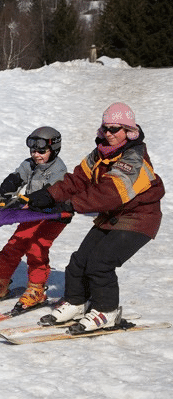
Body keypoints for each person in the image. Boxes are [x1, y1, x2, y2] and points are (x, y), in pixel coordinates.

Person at [26, 102, 165, 333]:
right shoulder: (101, 152)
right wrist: (48, 194)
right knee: (80, 260)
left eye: (116, 129)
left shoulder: (134, 159)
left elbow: (109, 193)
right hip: (113, 215)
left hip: (139, 218)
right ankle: (76, 303)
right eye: (106, 128)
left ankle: (106, 311)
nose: (109, 134)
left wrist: (71, 204)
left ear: (128, 131)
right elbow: (77, 180)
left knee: (101, 263)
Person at [0, 126, 69, 313]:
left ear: (54, 149)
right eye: (33, 150)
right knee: (14, 245)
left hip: (54, 215)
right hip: (31, 213)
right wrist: (4, 193)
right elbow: (16, 178)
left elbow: (49, 196)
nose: (36, 155)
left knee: (36, 247)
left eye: (41, 151)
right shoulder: (30, 164)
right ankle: (1, 284)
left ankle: (37, 289)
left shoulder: (58, 170)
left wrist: (24, 201)